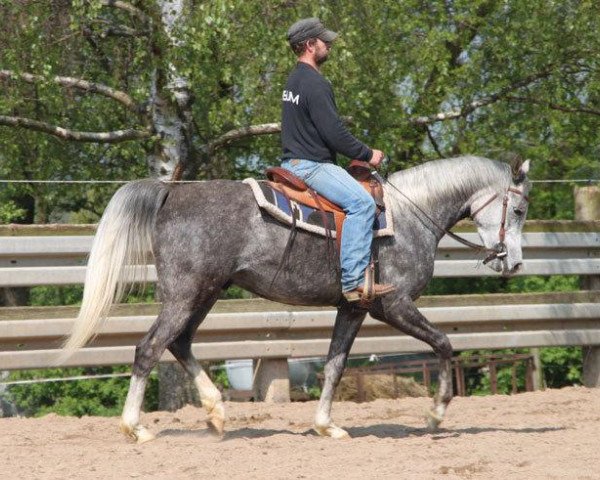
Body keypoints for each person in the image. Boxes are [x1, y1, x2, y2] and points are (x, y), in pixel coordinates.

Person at [280, 17, 395, 303]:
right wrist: (369, 154)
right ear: (309, 45)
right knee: (362, 204)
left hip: (291, 164)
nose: (328, 44)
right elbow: (335, 134)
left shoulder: (293, 80)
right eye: (323, 41)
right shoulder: (315, 83)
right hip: (312, 166)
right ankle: (354, 282)